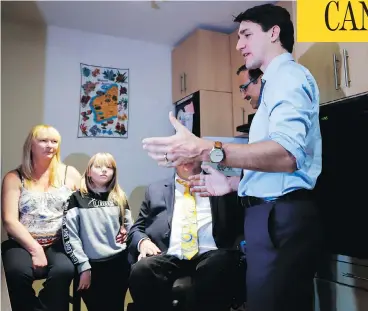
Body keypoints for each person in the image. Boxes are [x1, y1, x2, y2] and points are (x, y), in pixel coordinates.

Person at [141, 4, 323, 311]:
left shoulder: (288, 77)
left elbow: (286, 155)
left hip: (278, 219)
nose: (239, 45)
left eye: (247, 35)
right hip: (269, 217)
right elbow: (276, 167)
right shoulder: (274, 84)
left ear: (274, 33)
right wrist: (234, 183)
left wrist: (204, 149)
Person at [127, 161, 245, 311]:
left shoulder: (220, 183)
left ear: (200, 156)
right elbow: (137, 227)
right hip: (169, 253)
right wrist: (142, 241)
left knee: (218, 265)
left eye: (190, 153)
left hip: (210, 253)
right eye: (180, 155)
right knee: (141, 270)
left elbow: (240, 223)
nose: (185, 159)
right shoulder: (155, 190)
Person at [1, 124, 81, 311]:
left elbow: (88, 204)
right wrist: (35, 249)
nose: (50, 145)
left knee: (64, 270)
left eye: (54, 141)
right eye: (43, 140)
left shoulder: (70, 174)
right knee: (16, 272)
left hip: (59, 242)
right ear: (31, 145)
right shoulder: (14, 177)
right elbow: (9, 220)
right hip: (22, 243)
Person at [62, 152, 133, 311]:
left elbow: (130, 227)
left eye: (109, 167)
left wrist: (127, 233)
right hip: (92, 266)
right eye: (98, 166)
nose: (104, 171)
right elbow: (70, 236)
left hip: (119, 264)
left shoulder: (120, 197)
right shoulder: (76, 198)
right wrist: (83, 267)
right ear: (88, 171)